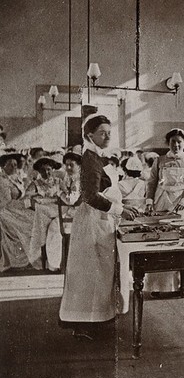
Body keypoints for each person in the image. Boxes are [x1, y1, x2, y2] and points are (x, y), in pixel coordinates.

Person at [59, 114, 139, 337]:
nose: (107, 137)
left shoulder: (98, 157)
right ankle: (83, 325)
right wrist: (120, 209)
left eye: (109, 133)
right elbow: (91, 196)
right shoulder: (89, 158)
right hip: (93, 221)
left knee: (99, 273)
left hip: (101, 220)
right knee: (89, 274)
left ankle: (93, 321)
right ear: (89, 135)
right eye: (102, 133)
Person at [144, 128, 184, 294]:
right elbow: (152, 183)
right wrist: (149, 201)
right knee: (161, 239)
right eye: (173, 142)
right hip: (163, 201)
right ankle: (158, 286)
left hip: (182, 204)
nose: (176, 145)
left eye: (179, 142)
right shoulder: (159, 160)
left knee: (182, 242)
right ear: (168, 143)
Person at [0, 152, 37, 271]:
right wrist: (27, 203)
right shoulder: (2, 181)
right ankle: (22, 260)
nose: (14, 167)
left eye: (15, 165)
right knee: (29, 224)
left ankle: (33, 257)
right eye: (10, 165)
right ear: (3, 166)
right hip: (5, 211)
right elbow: (7, 202)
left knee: (35, 219)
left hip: (15, 209)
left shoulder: (14, 178)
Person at [26, 157, 64, 270]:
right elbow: (28, 200)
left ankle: (56, 261)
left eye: (48, 169)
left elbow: (65, 197)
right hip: (42, 214)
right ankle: (44, 260)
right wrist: (35, 201)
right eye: (42, 170)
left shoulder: (59, 181)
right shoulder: (35, 184)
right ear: (38, 171)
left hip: (57, 211)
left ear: (52, 169)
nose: (46, 172)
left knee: (56, 228)